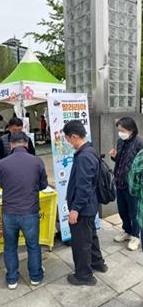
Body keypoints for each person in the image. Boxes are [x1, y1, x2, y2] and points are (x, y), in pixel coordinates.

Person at [0, 132, 48, 289]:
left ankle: (12, 279)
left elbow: (1, 185)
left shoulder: (2, 163)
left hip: (9, 212)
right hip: (30, 211)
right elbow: (44, 185)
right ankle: (35, 277)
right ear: (26, 143)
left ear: (11, 144)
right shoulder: (37, 161)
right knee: (33, 245)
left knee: (10, 246)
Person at [63, 120, 107, 286]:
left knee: (81, 242)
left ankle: (84, 275)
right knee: (91, 237)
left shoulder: (84, 156)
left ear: (74, 136)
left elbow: (84, 187)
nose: (68, 142)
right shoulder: (90, 150)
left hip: (84, 207)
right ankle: (98, 263)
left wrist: (75, 209)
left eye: (68, 139)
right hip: (90, 206)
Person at [109, 117, 143, 250]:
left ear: (131, 129)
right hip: (120, 182)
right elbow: (121, 160)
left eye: (122, 130)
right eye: (119, 130)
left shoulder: (140, 143)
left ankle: (136, 236)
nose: (120, 132)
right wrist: (114, 156)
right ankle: (127, 231)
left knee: (134, 212)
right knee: (122, 210)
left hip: (133, 185)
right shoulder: (120, 141)